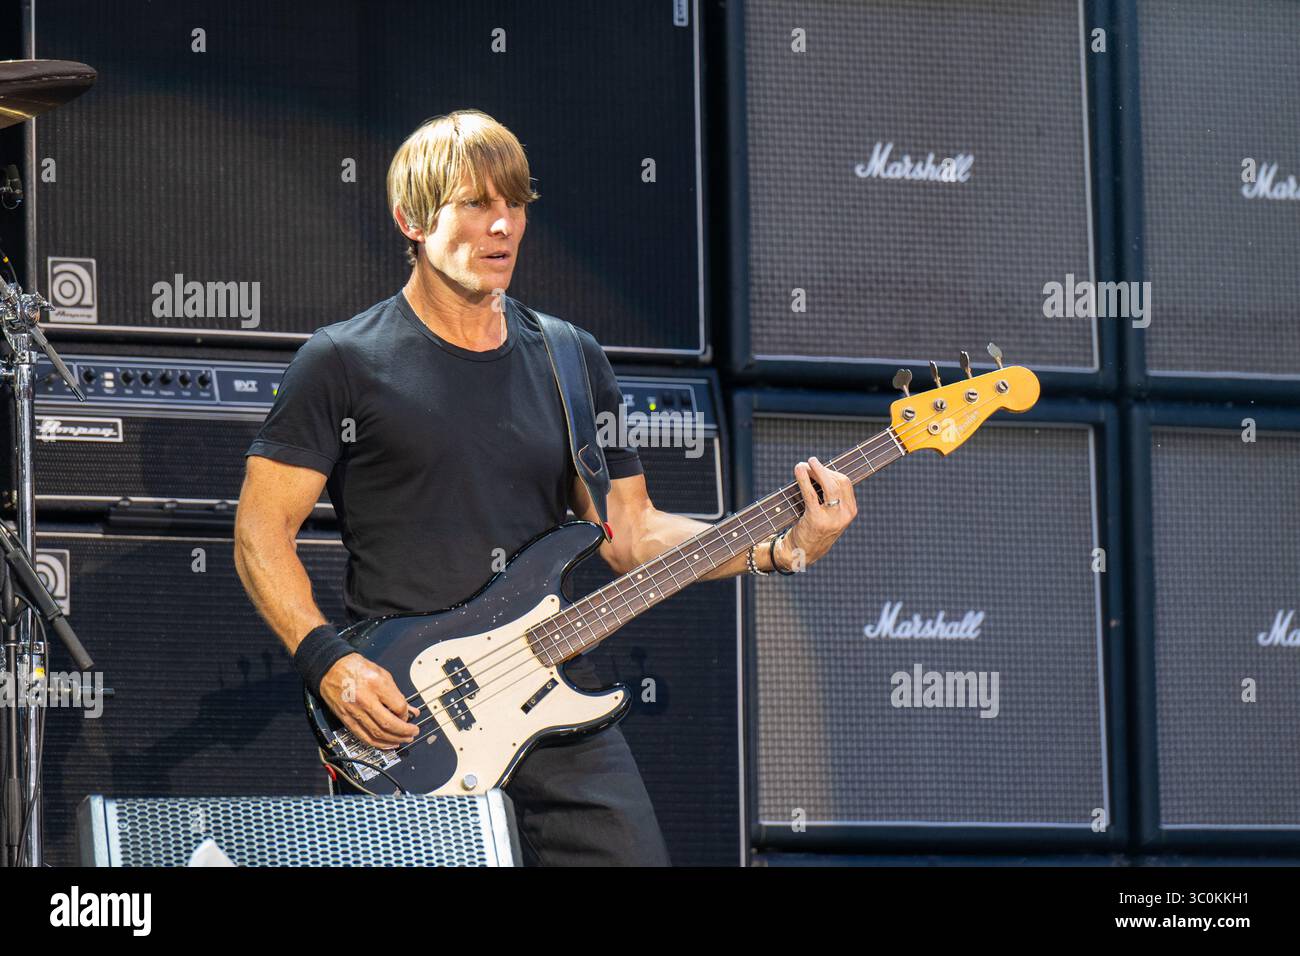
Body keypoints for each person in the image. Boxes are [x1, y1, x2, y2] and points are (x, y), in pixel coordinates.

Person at [233, 109, 859, 866]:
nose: (502, 226)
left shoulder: (569, 358)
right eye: (475, 203)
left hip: (552, 687)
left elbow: (630, 533)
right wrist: (329, 662)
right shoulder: (341, 361)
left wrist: (780, 545)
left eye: (515, 204)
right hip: (411, 711)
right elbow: (260, 535)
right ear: (410, 218)